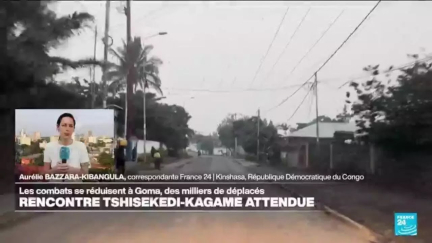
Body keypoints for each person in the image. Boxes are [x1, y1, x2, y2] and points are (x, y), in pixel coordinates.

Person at [43, 113, 90, 181]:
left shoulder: (81, 146)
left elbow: (86, 174)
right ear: (58, 127)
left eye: (70, 126)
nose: (67, 129)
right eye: (64, 125)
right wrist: (55, 170)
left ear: (73, 129)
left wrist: (71, 170)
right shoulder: (49, 147)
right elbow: (45, 175)